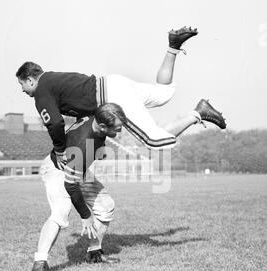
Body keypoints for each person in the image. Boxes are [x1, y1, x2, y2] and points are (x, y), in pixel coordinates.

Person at [30, 100, 226, 271]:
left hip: (78, 168)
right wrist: (85, 215)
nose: (120, 130)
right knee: (60, 214)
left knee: (106, 207)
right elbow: (71, 185)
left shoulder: (96, 119)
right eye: (116, 128)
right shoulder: (82, 144)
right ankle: (39, 265)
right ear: (102, 126)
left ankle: (94, 253)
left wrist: (98, 150)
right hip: (58, 171)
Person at [16, 26, 226, 171]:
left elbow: (55, 123)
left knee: (154, 140)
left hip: (110, 96)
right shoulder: (52, 78)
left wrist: (61, 152)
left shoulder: (41, 90)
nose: (23, 90)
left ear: (30, 79)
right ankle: (173, 48)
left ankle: (198, 112)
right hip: (112, 83)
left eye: (22, 84)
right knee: (164, 94)